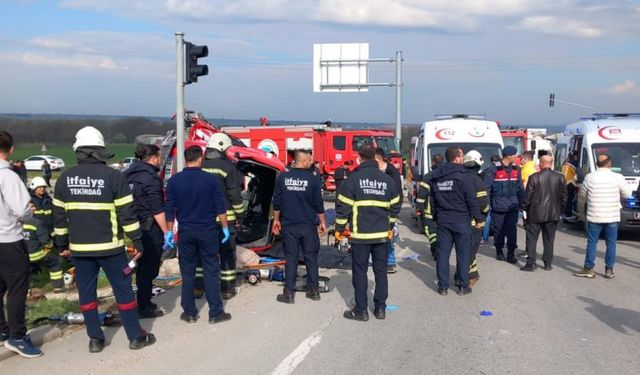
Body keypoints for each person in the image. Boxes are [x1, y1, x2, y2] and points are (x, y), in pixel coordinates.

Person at [53, 126, 155, 353]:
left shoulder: (64, 179)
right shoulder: (114, 177)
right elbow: (127, 215)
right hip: (111, 249)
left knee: (87, 294)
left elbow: (59, 219)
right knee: (124, 291)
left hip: (80, 250)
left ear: (78, 150)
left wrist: (61, 245)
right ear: (100, 150)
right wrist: (137, 240)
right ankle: (135, 337)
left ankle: (95, 340)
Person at [165, 146, 232, 324]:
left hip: (186, 232)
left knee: (188, 273)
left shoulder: (174, 181)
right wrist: (225, 227)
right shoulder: (210, 180)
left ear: (185, 160)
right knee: (211, 271)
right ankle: (215, 313)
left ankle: (189, 313)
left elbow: (170, 209)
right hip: (207, 231)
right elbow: (220, 206)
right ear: (200, 159)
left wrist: (168, 232)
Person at [336, 145, 401, 321]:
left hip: (360, 236)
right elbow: (396, 204)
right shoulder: (387, 180)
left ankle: (361, 311)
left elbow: (343, 207)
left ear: (360, 157)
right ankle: (380, 309)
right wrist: (390, 225)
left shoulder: (353, 179)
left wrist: (339, 230)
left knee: (360, 272)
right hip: (381, 235)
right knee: (381, 272)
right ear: (375, 157)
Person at [0, 130, 42, 358]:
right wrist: (29, 211)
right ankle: (17, 336)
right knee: (17, 288)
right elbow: (22, 211)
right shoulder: (8, 176)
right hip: (8, 238)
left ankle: (1, 331)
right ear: (11, 149)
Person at [272, 150, 326, 303]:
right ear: (302, 161)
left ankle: (288, 293)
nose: (311, 162)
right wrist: (322, 221)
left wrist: (276, 220)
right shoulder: (313, 179)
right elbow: (318, 202)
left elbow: (277, 201)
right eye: (309, 160)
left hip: (289, 225)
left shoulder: (283, 178)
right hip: (308, 225)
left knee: (291, 258)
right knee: (311, 257)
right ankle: (313, 291)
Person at [431, 147, 484, 296]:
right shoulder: (464, 176)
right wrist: (478, 218)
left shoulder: (436, 176)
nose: (463, 158)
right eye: (462, 156)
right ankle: (463, 286)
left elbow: (433, 200)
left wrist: (436, 217)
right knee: (463, 254)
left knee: (443, 254)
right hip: (461, 220)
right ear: (457, 158)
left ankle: (442, 286)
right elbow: (471, 200)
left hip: (443, 221)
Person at [124, 144, 169, 318]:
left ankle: (139, 301)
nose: (160, 160)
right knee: (148, 269)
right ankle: (143, 306)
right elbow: (157, 209)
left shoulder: (126, 175)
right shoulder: (151, 178)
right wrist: (166, 231)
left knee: (139, 266)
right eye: (159, 157)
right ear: (153, 158)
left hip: (130, 227)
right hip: (149, 228)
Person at [201, 133, 246, 299]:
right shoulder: (228, 167)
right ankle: (227, 288)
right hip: (224, 220)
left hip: (202, 219)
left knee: (202, 253)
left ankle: (198, 288)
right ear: (221, 147)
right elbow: (234, 194)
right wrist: (241, 214)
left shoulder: (199, 165)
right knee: (227, 253)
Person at [573, 154, 633, 279]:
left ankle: (589, 268)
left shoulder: (590, 177)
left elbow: (582, 195)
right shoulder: (618, 177)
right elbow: (627, 194)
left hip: (594, 215)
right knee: (611, 243)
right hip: (612, 216)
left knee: (592, 242)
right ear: (609, 163)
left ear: (596, 164)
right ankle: (609, 269)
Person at [520, 155, 566, 272]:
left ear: (541, 163)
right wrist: (560, 211)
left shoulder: (534, 177)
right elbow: (564, 197)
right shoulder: (560, 177)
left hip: (535, 213)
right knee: (549, 240)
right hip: (553, 214)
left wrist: (524, 209)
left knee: (531, 238)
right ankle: (548, 263)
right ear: (551, 163)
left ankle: (531, 263)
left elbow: (527, 197)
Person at [484, 146, 524, 264]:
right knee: (498, 230)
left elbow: (520, 188)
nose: (516, 157)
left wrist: (523, 205)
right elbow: (487, 189)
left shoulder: (517, 169)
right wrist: (486, 205)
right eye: (515, 155)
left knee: (512, 231)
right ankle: (499, 251)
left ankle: (511, 253)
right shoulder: (493, 169)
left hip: (512, 207)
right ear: (509, 156)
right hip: (498, 207)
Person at [459, 150, 489, 285]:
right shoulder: (478, 181)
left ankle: (472, 273)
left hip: (458, 220)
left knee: (464, 249)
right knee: (470, 251)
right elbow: (483, 204)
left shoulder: (459, 178)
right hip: (474, 222)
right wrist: (484, 216)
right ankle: (462, 277)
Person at [375, 147, 403, 274]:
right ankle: (376, 259)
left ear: (377, 158)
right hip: (375, 208)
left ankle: (391, 262)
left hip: (388, 208)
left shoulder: (391, 172)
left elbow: (398, 192)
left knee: (389, 234)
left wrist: (395, 211)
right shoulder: (373, 171)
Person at [22, 216, 65, 292]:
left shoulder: (14, 222)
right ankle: (58, 286)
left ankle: (26, 291)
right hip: (38, 255)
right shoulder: (36, 222)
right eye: (31, 206)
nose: (34, 208)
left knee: (24, 270)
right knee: (56, 261)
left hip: (22, 256)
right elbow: (45, 241)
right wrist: (51, 246)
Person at [481, 154, 502, 245]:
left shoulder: (487, 170)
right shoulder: (504, 169)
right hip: (501, 199)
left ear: (491, 161)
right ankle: (501, 239)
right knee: (501, 220)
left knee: (487, 219)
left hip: (490, 198)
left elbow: (485, 186)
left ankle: (485, 239)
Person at [562, 151, 579, 220]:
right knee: (570, 199)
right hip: (571, 183)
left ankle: (565, 213)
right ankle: (568, 213)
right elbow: (576, 174)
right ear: (574, 156)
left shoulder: (565, 163)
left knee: (567, 199)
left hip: (564, 183)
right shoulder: (574, 163)